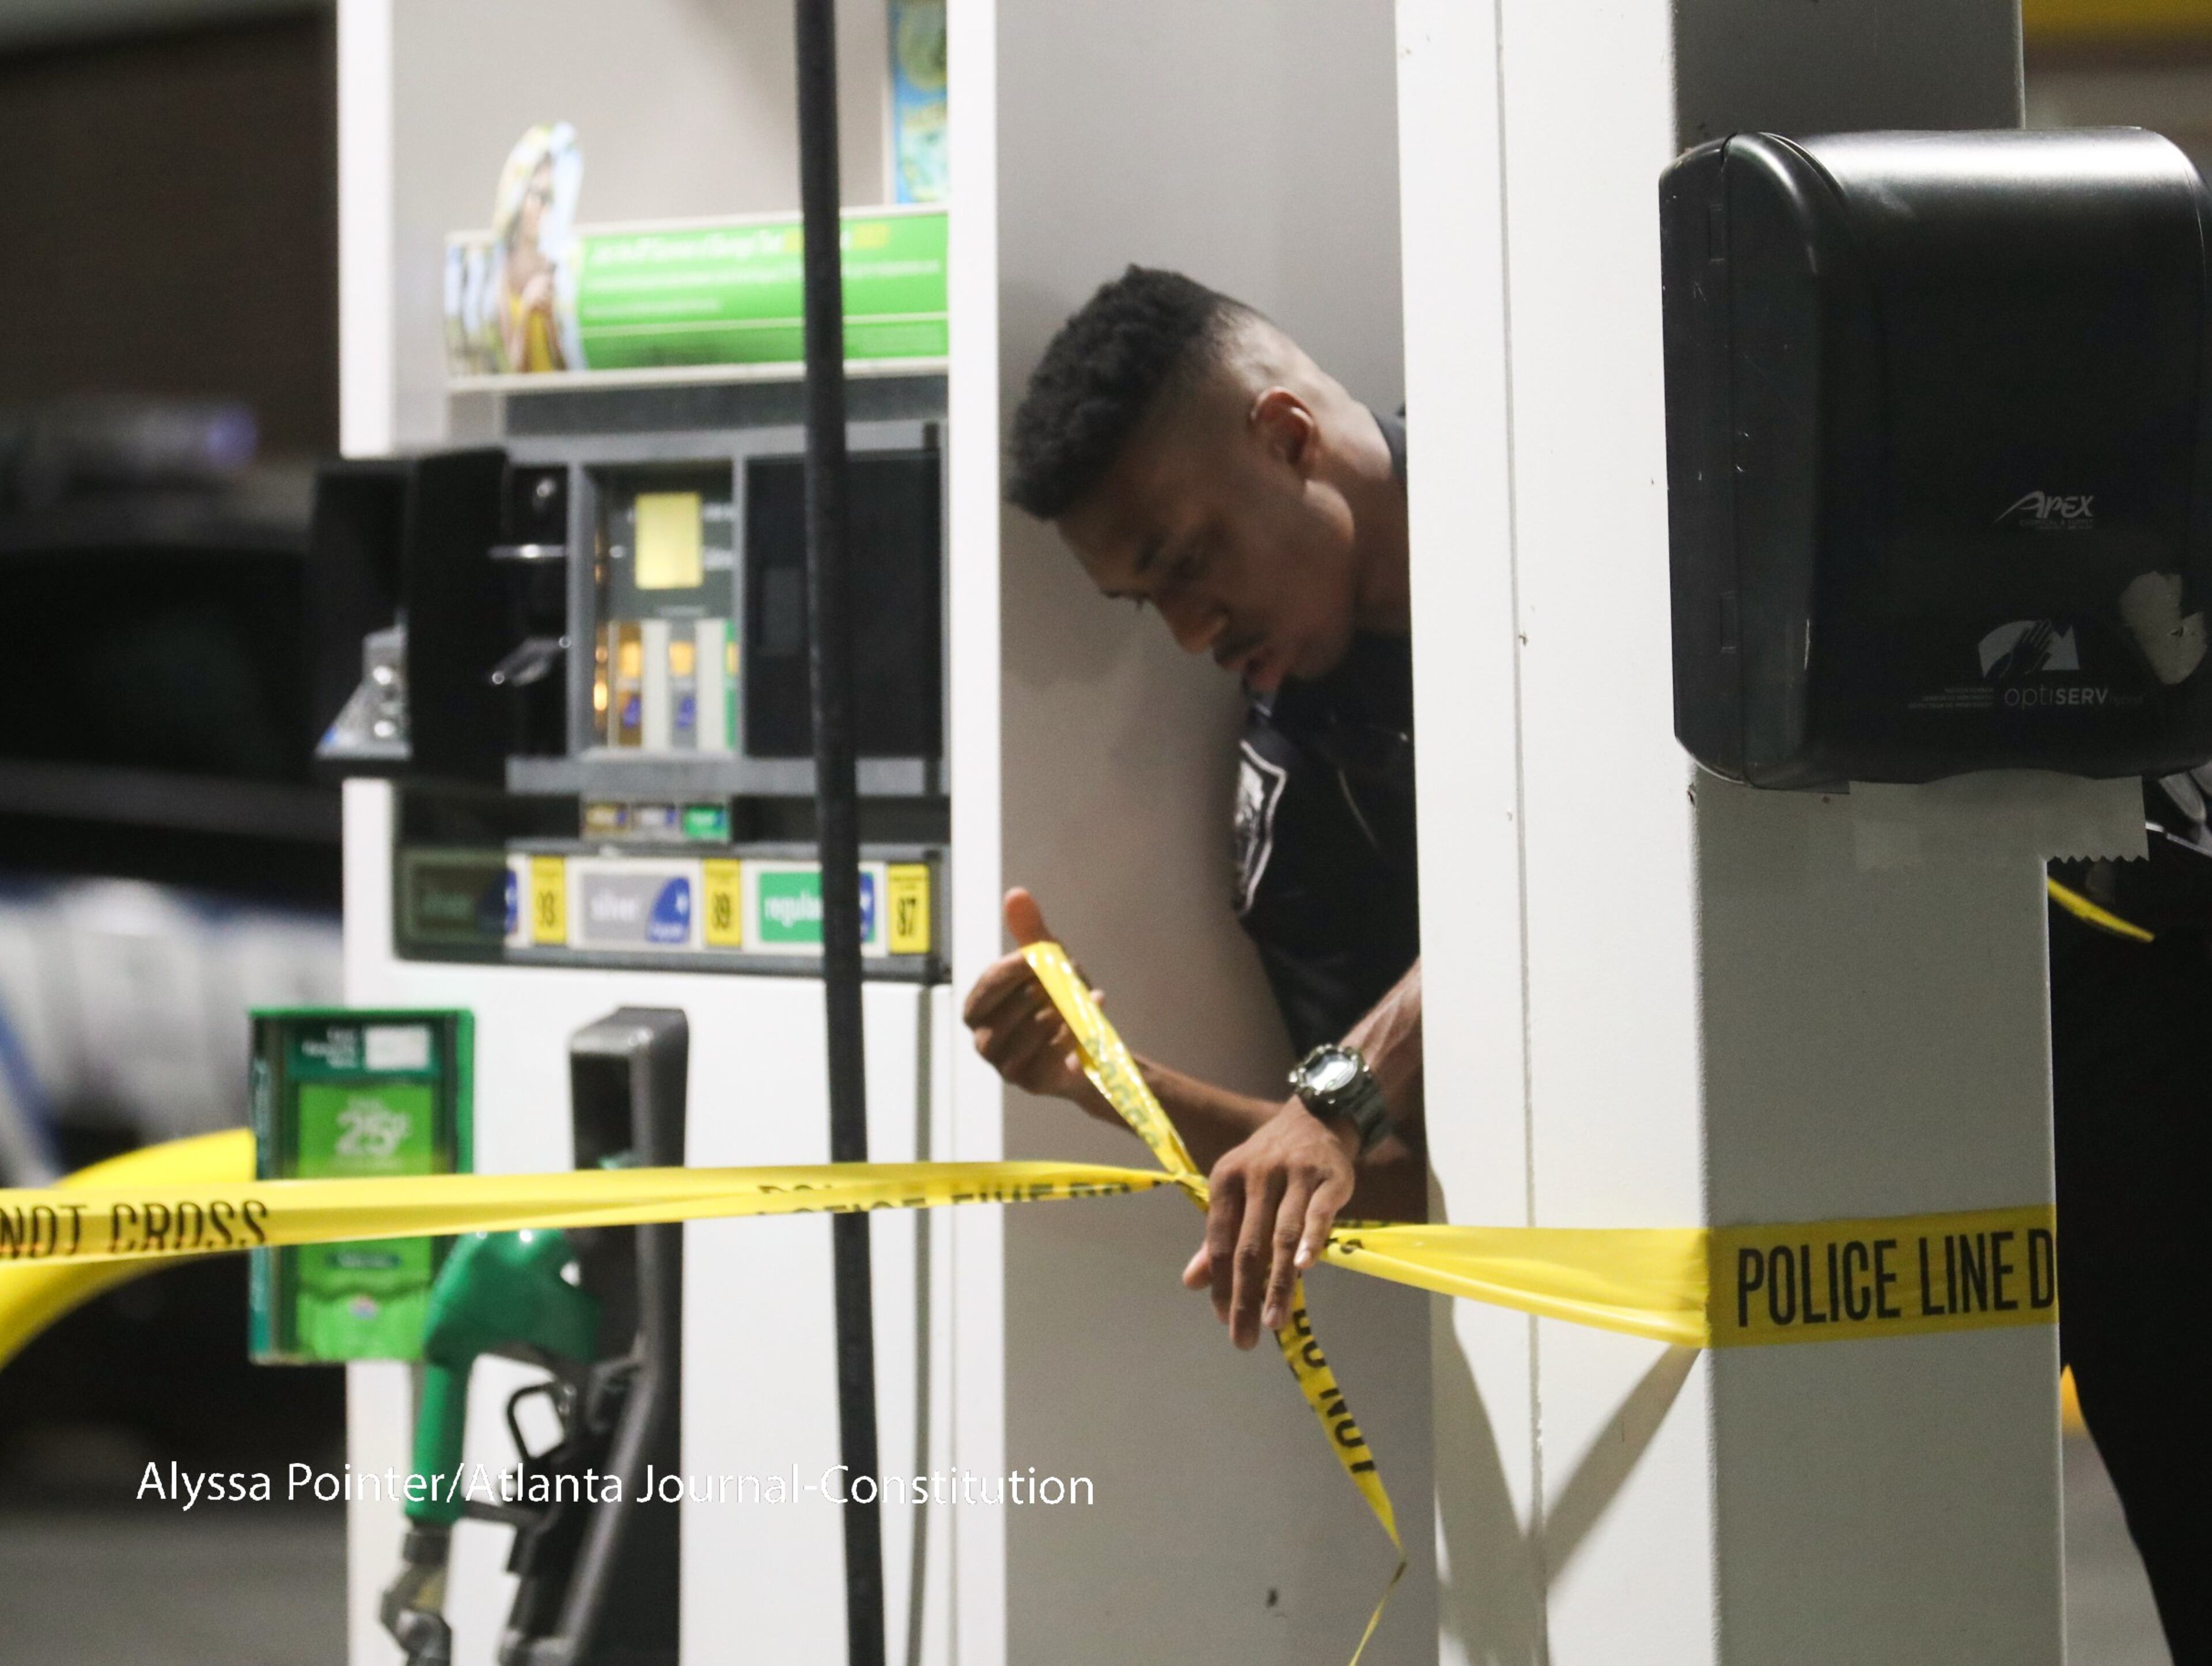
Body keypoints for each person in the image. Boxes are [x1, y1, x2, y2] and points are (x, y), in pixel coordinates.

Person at [960, 267, 1426, 1353]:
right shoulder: (1301, 776)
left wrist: (1342, 1093)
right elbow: (1398, 1177)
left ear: (1284, 434)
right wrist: (1113, 1083)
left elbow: (1612, 856)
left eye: (1188, 562)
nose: (1186, 633)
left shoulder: (1566, 471)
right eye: (1145, 598)